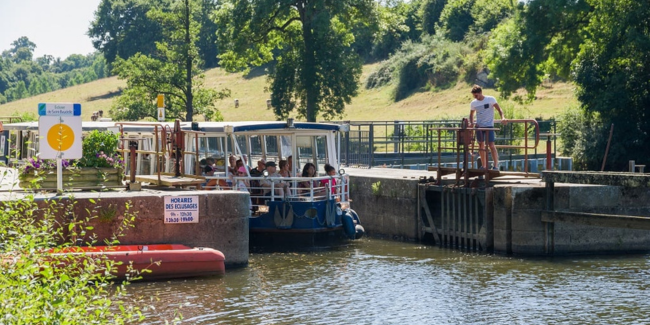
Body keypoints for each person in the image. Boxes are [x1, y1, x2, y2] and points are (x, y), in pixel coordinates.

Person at [469, 85, 507, 170]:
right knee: (481, 145)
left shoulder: (490, 99)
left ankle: (496, 165)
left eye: (476, 95)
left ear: (480, 92)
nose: (475, 97)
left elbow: (499, 109)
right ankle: (484, 165)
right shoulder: (474, 103)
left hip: (489, 126)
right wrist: (471, 123)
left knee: (491, 145)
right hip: (479, 126)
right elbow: (471, 114)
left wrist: (503, 117)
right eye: (474, 96)